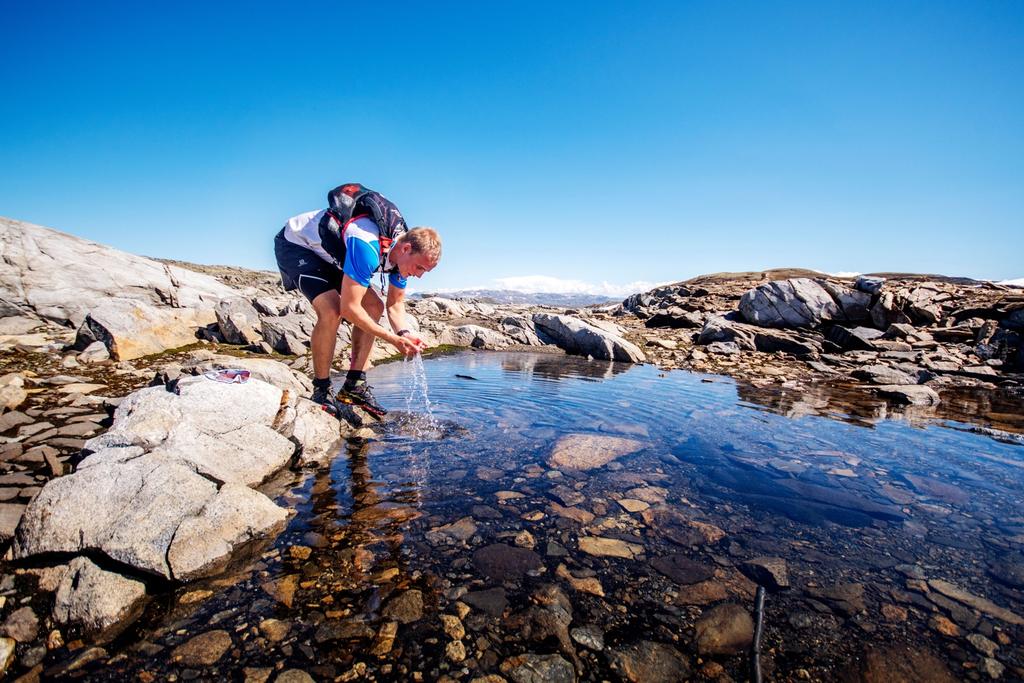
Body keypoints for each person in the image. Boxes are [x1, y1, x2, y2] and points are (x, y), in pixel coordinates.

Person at [274, 183, 441, 418]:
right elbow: (350, 309)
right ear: (405, 248)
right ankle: (321, 390)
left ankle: (354, 386)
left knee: (374, 305)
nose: (419, 274)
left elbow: (394, 304)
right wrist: (392, 339)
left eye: (426, 271)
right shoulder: (366, 245)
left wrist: (403, 333)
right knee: (332, 311)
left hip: (334, 256)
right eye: (420, 267)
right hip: (298, 246)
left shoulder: (401, 257)